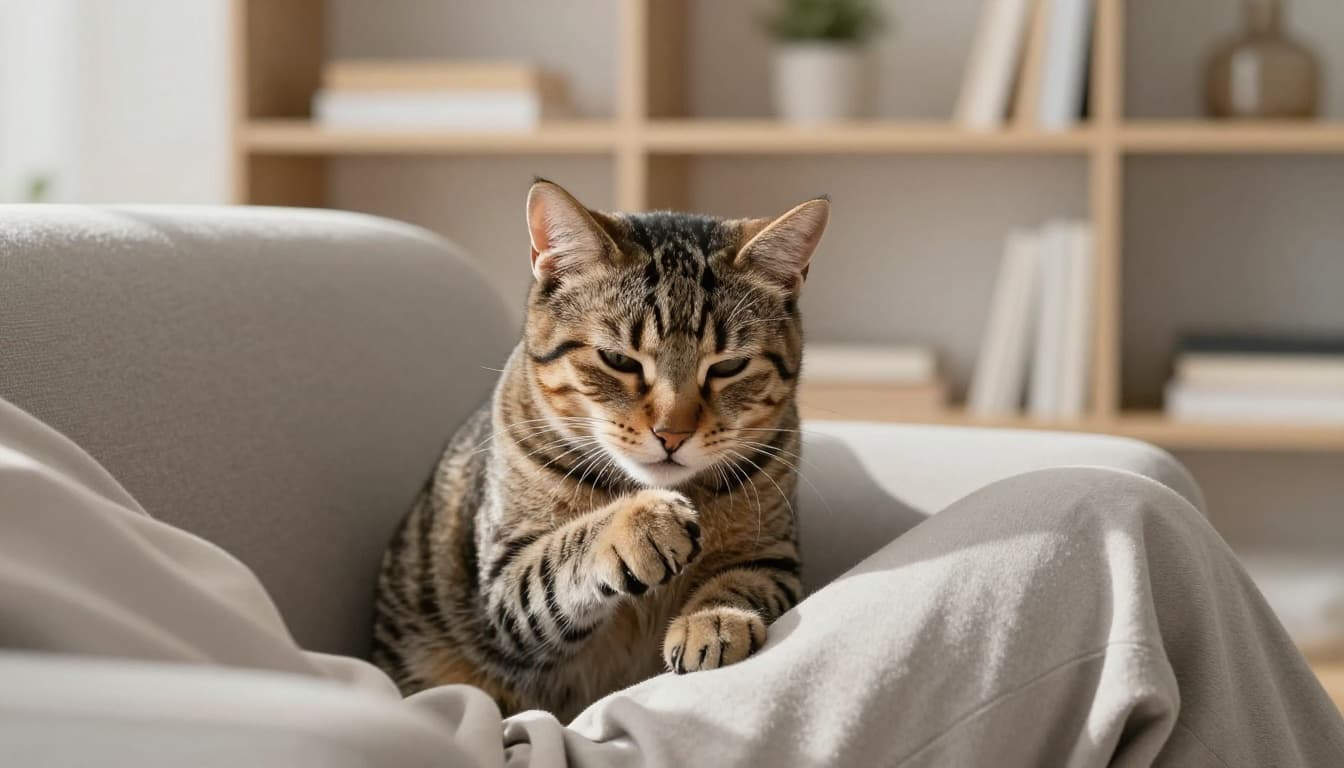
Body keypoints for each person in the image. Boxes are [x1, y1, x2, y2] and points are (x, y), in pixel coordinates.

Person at [2, 394, 1341, 767]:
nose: (676, 418)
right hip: (451, 740)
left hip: (444, 722)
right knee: (1122, 545)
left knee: (1139, 508)